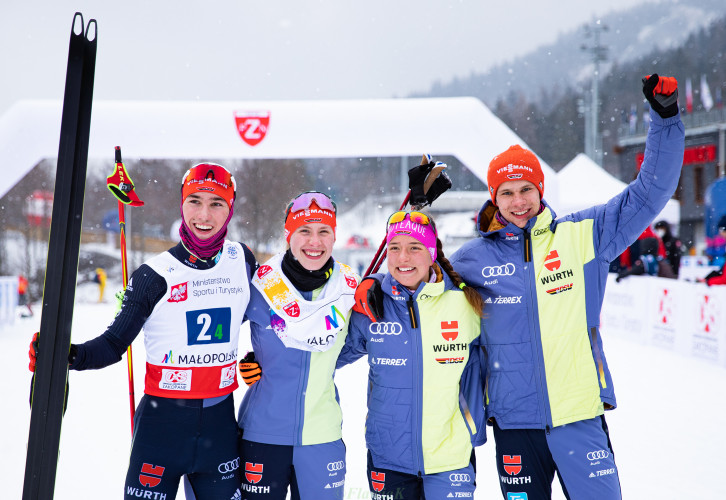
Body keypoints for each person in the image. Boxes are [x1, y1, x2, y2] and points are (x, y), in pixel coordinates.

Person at [450, 74, 684, 499]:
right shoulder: (471, 260)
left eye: (526, 190)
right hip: (515, 426)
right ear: (493, 197)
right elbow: (412, 275)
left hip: (579, 417)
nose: (518, 202)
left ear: (540, 190)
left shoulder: (584, 236)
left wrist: (664, 119)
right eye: (507, 193)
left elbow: (650, 193)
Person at [29, 163, 254, 499]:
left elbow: (270, 318)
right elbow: (112, 344)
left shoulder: (243, 261)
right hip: (161, 430)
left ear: (230, 209)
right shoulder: (154, 275)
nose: (204, 214)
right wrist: (69, 354)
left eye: (216, 203)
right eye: (195, 201)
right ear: (182, 204)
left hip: (220, 430)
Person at [340, 210, 487, 500]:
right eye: (394, 248)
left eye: (414, 248)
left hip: (451, 457)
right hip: (388, 457)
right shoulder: (372, 306)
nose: (402, 258)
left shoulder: (465, 303)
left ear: (431, 253)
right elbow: (326, 355)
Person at [237, 191, 360, 500]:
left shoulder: (350, 290)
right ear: (288, 235)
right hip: (262, 435)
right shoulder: (260, 286)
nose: (314, 242)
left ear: (334, 237)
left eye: (323, 231)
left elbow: (354, 345)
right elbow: (214, 333)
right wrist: (251, 359)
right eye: (304, 230)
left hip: (322, 437)